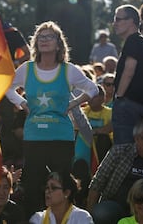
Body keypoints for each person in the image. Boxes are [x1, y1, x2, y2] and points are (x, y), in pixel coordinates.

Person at [5, 20, 98, 217]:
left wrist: (73, 104)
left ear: (59, 43)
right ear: (35, 43)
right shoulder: (27, 69)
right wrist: (22, 104)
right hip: (34, 137)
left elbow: (93, 88)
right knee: (32, 185)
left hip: (61, 137)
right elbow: (7, 87)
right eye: (40, 37)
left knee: (62, 184)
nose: (44, 40)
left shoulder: (69, 70)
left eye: (49, 37)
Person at [87, 120, 143, 223]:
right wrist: (88, 216)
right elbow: (98, 182)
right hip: (118, 206)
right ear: (137, 139)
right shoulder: (119, 153)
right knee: (101, 212)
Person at [111, 4, 143, 145]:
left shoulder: (133, 41)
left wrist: (119, 97)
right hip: (142, 105)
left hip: (128, 105)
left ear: (131, 21)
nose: (115, 23)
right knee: (135, 151)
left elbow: (129, 70)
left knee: (123, 150)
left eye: (118, 19)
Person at [29, 171, 93, 223]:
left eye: (53, 188)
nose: (47, 191)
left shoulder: (82, 217)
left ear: (67, 193)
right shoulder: (38, 219)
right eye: (47, 187)